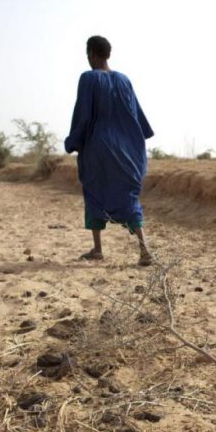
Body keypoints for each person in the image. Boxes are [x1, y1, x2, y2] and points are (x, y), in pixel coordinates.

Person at [64, 35, 155, 266]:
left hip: (99, 147)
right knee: (128, 196)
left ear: (92, 53)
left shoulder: (88, 79)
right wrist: (139, 138)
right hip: (129, 149)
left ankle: (98, 249)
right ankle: (144, 249)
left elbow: (83, 115)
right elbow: (136, 115)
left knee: (94, 192)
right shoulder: (124, 80)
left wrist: (73, 141)